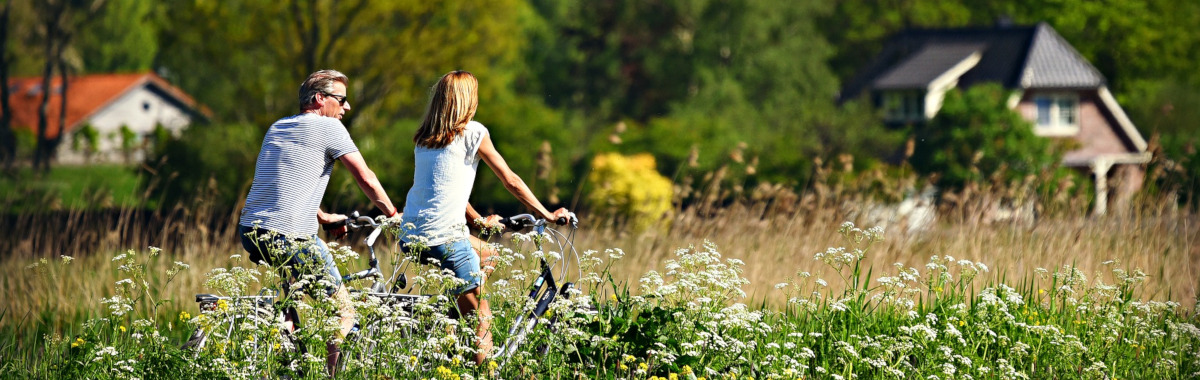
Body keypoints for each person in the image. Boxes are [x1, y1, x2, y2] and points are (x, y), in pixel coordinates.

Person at [401, 70, 572, 365]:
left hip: (411, 233)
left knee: (489, 253)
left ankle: (452, 322)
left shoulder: (425, 139)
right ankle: (484, 368)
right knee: (483, 318)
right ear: (468, 101)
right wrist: (547, 214)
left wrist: (478, 220)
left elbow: (443, 187)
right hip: (445, 236)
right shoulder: (474, 132)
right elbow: (511, 180)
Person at [237, 69, 398, 375]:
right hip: (289, 234)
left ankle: (288, 362)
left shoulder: (278, 127)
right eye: (341, 100)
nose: (346, 107)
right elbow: (365, 177)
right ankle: (329, 375)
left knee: (290, 305)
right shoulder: (329, 128)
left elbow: (284, 183)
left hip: (251, 230)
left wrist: (323, 216)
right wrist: (393, 214)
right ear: (319, 99)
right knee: (344, 314)